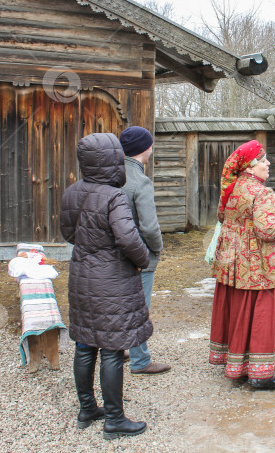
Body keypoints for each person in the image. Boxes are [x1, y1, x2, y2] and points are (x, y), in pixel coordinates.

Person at [60, 133, 151, 440]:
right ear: (113, 159)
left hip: (81, 276)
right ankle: (114, 419)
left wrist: (91, 249)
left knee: (85, 345)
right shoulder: (114, 196)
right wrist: (143, 260)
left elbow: (68, 233)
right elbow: (128, 237)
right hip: (112, 281)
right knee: (112, 348)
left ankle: (87, 410)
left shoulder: (72, 192)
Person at [209, 140, 275, 390]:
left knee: (240, 310)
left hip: (234, 263)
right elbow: (266, 231)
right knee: (262, 314)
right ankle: (260, 374)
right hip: (261, 264)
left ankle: (237, 364)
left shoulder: (232, 188)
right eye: (263, 160)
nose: (267, 163)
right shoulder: (261, 193)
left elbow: (221, 217)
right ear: (250, 167)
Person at [119, 126, 171, 376]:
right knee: (139, 308)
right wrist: (158, 249)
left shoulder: (111, 174)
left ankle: (121, 349)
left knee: (120, 305)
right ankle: (140, 361)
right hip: (139, 256)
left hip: (114, 255)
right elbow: (149, 227)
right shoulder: (140, 181)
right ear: (145, 148)